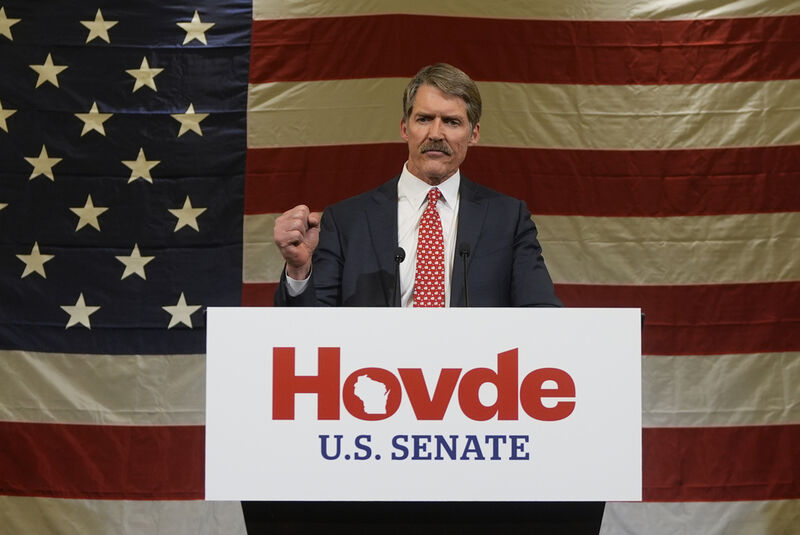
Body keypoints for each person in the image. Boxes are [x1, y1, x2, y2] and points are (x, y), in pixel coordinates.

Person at [273, 62, 561, 308]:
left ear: (474, 134)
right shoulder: (347, 220)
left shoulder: (508, 220)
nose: (435, 133)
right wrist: (299, 270)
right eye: (424, 119)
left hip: (477, 371)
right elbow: (309, 329)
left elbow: (541, 316)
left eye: (451, 122)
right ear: (404, 128)